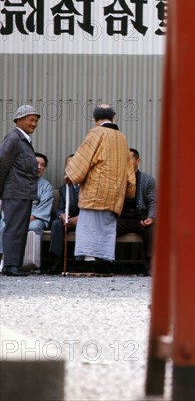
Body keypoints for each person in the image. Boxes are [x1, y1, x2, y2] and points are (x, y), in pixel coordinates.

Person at [65, 104, 136, 274]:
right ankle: (105, 261)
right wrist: (130, 190)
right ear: (113, 118)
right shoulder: (121, 137)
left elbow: (84, 157)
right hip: (115, 192)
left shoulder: (96, 133)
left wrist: (71, 174)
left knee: (89, 225)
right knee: (107, 228)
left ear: (95, 119)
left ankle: (89, 261)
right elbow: (129, 169)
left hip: (95, 189)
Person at [0, 105, 41, 276]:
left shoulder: (23, 139)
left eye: (36, 121)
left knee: (20, 228)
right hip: (15, 192)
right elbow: (2, 163)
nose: (34, 124)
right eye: (31, 120)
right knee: (14, 228)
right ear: (19, 120)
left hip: (22, 193)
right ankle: (10, 266)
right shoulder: (14, 138)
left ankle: (14, 265)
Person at [116, 148, 156, 275]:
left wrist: (151, 217)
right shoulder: (117, 179)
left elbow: (153, 202)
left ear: (138, 161)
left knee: (152, 228)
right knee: (107, 227)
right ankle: (105, 263)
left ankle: (150, 265)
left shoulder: (148, 180)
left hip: (140, 217)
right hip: (121, 217)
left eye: (129, 159)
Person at [47, 154, 80, 275]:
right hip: (68, 218)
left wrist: (79, 218)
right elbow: (60, 208)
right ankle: (56, 261)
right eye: (69, 165)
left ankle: (81, 262)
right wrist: (62, 216)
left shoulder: (88, 186)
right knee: (56, 224)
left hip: (84, 218)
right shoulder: (64, 187)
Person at [28, 152, 54, 236]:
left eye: (42, 165)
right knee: (4, 224)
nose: (39, 167)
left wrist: (30, 218)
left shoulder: (46, 186)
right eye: (36, 164)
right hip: (17, 216)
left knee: (35, 226)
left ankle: (32, 250)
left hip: (36, 218)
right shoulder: (17, 182)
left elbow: (44, 207)